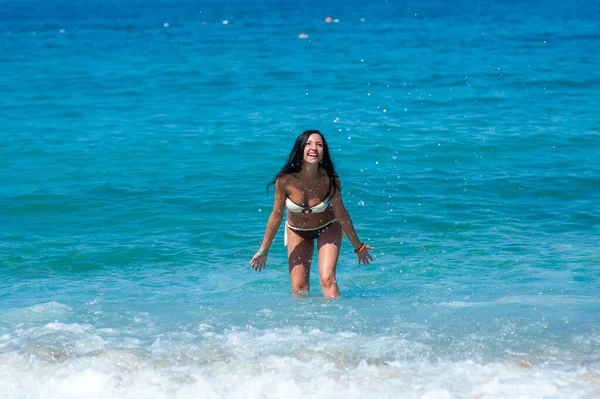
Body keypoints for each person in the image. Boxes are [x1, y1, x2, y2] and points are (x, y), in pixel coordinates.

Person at [249, 129, 373, 297]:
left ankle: (337, 320)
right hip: (297, 231)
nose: (314, 148)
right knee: (299, 287)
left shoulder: (330, 179)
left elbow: (342, 214)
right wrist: (263, 251)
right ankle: (303, 323)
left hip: (328, 227)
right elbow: (276, 216)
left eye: (319, 145)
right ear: (300, 150)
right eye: (308, 144)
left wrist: (359, 247)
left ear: (323, 153)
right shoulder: (285, 180)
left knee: (327, 278)